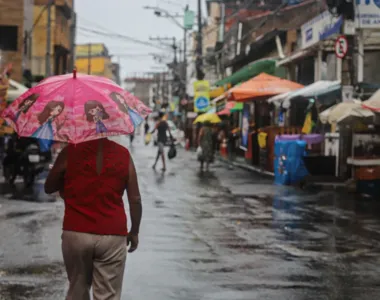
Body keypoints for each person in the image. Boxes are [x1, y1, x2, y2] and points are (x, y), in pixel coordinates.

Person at [44, 138, 142, 300]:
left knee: (77, 290)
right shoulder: (123, 154)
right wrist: (135, 232)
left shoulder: (70, 152)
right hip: (112, 235)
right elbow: (135, 199)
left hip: (76, 233)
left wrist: (60, 173)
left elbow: (49, 187)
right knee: (108, 295)